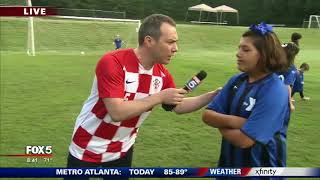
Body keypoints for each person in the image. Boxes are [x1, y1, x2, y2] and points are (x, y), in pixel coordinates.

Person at [66, 14, 220, 180]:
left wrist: (213, 96)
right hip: (87, 146)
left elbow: (178, 106)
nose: (176, 48)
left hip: (122, 149)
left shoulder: (162, 74)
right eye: (170, 42)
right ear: (149, 41)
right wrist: (160, 97)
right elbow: (116, 112)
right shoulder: (113, 62)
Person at [202, 22, 290, 168]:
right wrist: (242, 123)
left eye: (246, 49)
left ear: (264, 55)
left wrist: (220, 123)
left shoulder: (275, 91)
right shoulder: (236, 81)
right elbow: (207, 116)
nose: (238, 53)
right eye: (239, 48)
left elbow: (244, 140)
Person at [278, 42, 300, 111]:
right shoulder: (290, 67)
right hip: (277, 97)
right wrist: (290, 103)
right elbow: (287, 86)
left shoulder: (270, 61)